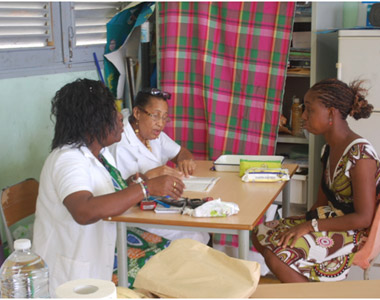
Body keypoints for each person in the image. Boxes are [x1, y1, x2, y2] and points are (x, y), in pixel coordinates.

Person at [32, 79, 185, 295]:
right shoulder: (67, 159)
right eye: (113, 113)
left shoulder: (97, 156)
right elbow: (84, 210)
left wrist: (135, 182)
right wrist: (146, 188)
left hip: (94, 266)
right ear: (93, 121)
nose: (121, 118)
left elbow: (106, 196)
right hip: (68, 280)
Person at [252, 78, 380, 282]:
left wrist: (309, 227)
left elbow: (364, 218)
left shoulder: (361, 155)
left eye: (309, 110)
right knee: (261, 231)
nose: (303, 116)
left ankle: (312, 293)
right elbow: (320, 204)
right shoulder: (328, 149)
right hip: (331, 220)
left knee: (277, 255)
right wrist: (297, 225)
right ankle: (306, 286)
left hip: (354, 231)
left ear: (331, 113)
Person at [109, 87, 209, 244]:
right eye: (155, 116)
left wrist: (185, 160)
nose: (161, 124)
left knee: (201, 230)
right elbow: (121, 192)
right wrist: (151, 175)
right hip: (135, 214)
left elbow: (181, 152)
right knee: (195, 236)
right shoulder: (121, 144)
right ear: (137, 113)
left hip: (158, 205)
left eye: (165, 118)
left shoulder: (154, 135)